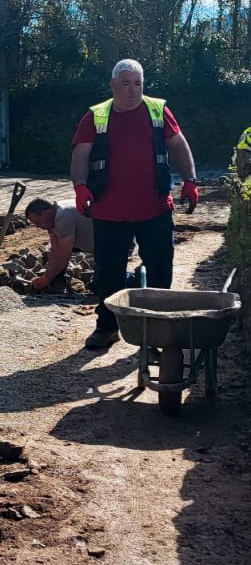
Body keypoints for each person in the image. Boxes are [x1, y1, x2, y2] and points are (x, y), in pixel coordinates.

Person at [70, 59, 198, 350]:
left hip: (153, 209)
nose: (132, 90)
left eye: (137, 83)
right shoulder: (97, 115)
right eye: (125, 83)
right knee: (109, 271)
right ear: (113, 85)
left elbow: (178, 144)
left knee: (160, 267)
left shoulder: (157, 109)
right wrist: (79, 187)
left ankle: (159, 327)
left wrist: (190, 179)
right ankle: (107, 327)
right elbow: (81, 154)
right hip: (109, 211)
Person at [24, 197, 94, 292]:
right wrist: (49, 274)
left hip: (108, 240)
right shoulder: (54, 213)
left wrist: (46, 278)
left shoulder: (63, 217)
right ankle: (58, 284)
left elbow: (63, 253)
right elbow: (55, 249)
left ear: (45, 213)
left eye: (37, 222)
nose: (37, 227)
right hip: (93, 236)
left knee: (102, 287)